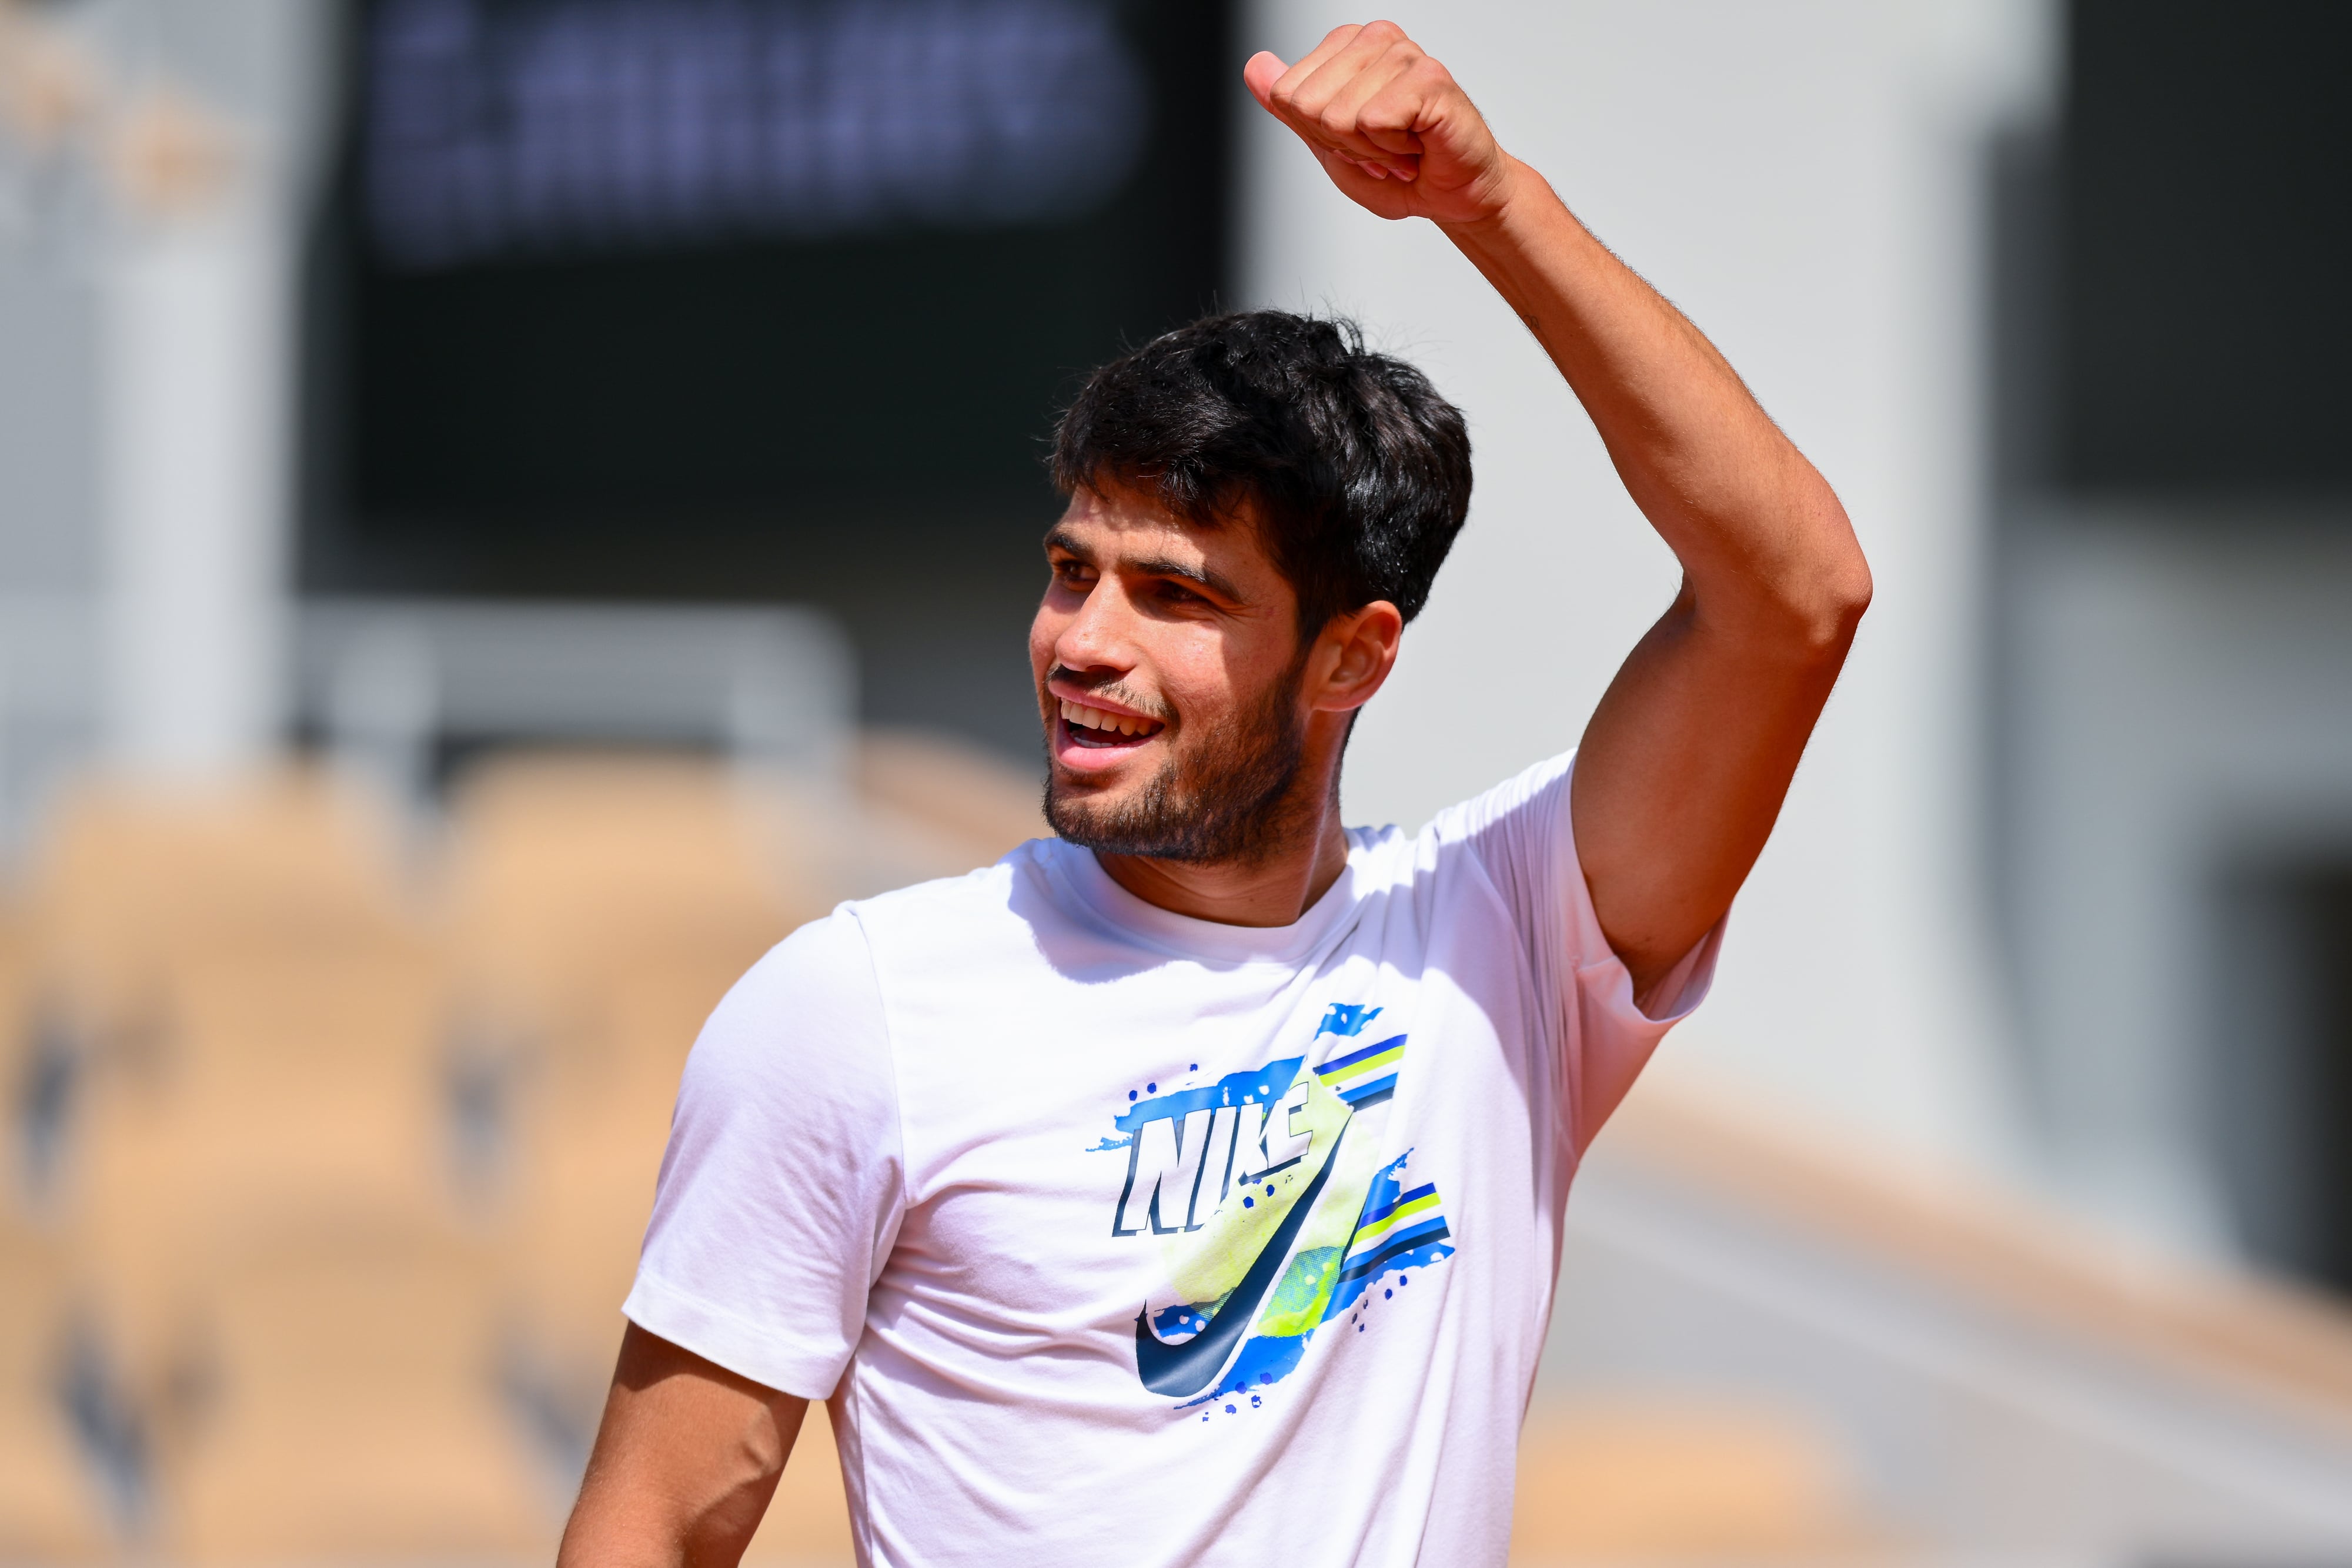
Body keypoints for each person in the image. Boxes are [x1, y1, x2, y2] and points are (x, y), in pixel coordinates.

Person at [557, 21, 1869, 1568]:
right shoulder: (858, 1011)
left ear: (1350, 660)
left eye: (1174, 595)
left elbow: (1796, 592)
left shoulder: (1497, 940)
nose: (1083, 644)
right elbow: (648, 1527)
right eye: (1071, 570)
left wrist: (1490, 204)